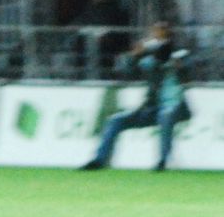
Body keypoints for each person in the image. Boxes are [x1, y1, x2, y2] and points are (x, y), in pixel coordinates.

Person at [80, 22, 192, 172]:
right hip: (152, 107)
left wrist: (177, 65)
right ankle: (100, 159)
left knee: (166, 116)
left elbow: (186, 71)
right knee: (116, 120)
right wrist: (133, 56)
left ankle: (163, 162)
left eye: (161, 33)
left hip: (176, 106)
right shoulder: (149, 58)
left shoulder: (179, 53)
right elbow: (126, 72)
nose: (156, 36)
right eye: (155, 33)